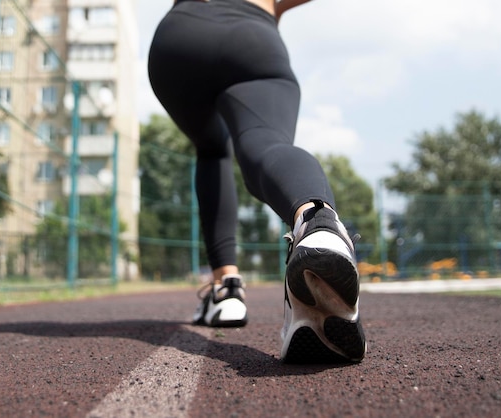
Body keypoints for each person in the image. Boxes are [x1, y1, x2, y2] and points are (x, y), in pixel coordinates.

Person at [148, 0, 366, 363]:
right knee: (265, 145)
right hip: (253, 33)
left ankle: (226, 288)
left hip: (179, 38)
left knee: (211, 148)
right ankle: (317, 222)